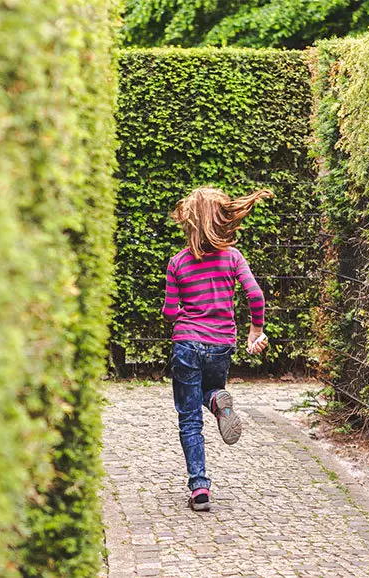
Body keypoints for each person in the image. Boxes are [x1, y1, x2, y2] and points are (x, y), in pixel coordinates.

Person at [161, 186, 271, 512]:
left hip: (186, 343)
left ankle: (199, 487)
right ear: (222, 220)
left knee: (189, 418)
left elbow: (169, 312)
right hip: (221, 344)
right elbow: (256, 296)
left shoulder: (177, 263)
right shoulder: (233, 258)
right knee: (210, 389)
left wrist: (182, 316)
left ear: (189, 223)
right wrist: (256, 331)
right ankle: (215, 399)